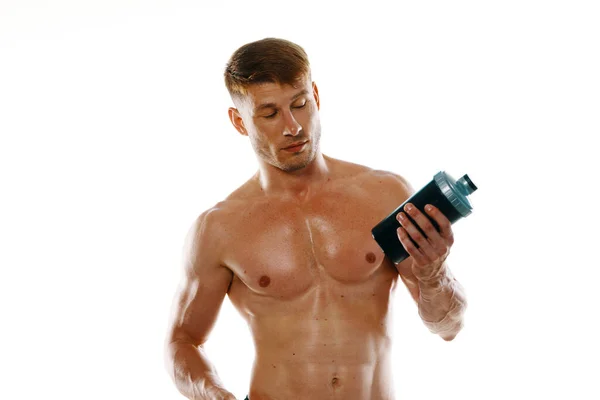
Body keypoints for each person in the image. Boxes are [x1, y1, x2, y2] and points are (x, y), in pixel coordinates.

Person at [164, 37, 467, 400]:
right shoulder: (218, 229)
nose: (293, 127)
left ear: (317, 97)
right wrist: (213, 394)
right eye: (270, 113)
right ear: (239, 121)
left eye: (300, 104)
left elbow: (448, 326)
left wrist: (434, 275)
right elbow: (183, 341)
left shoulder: (384, 195)